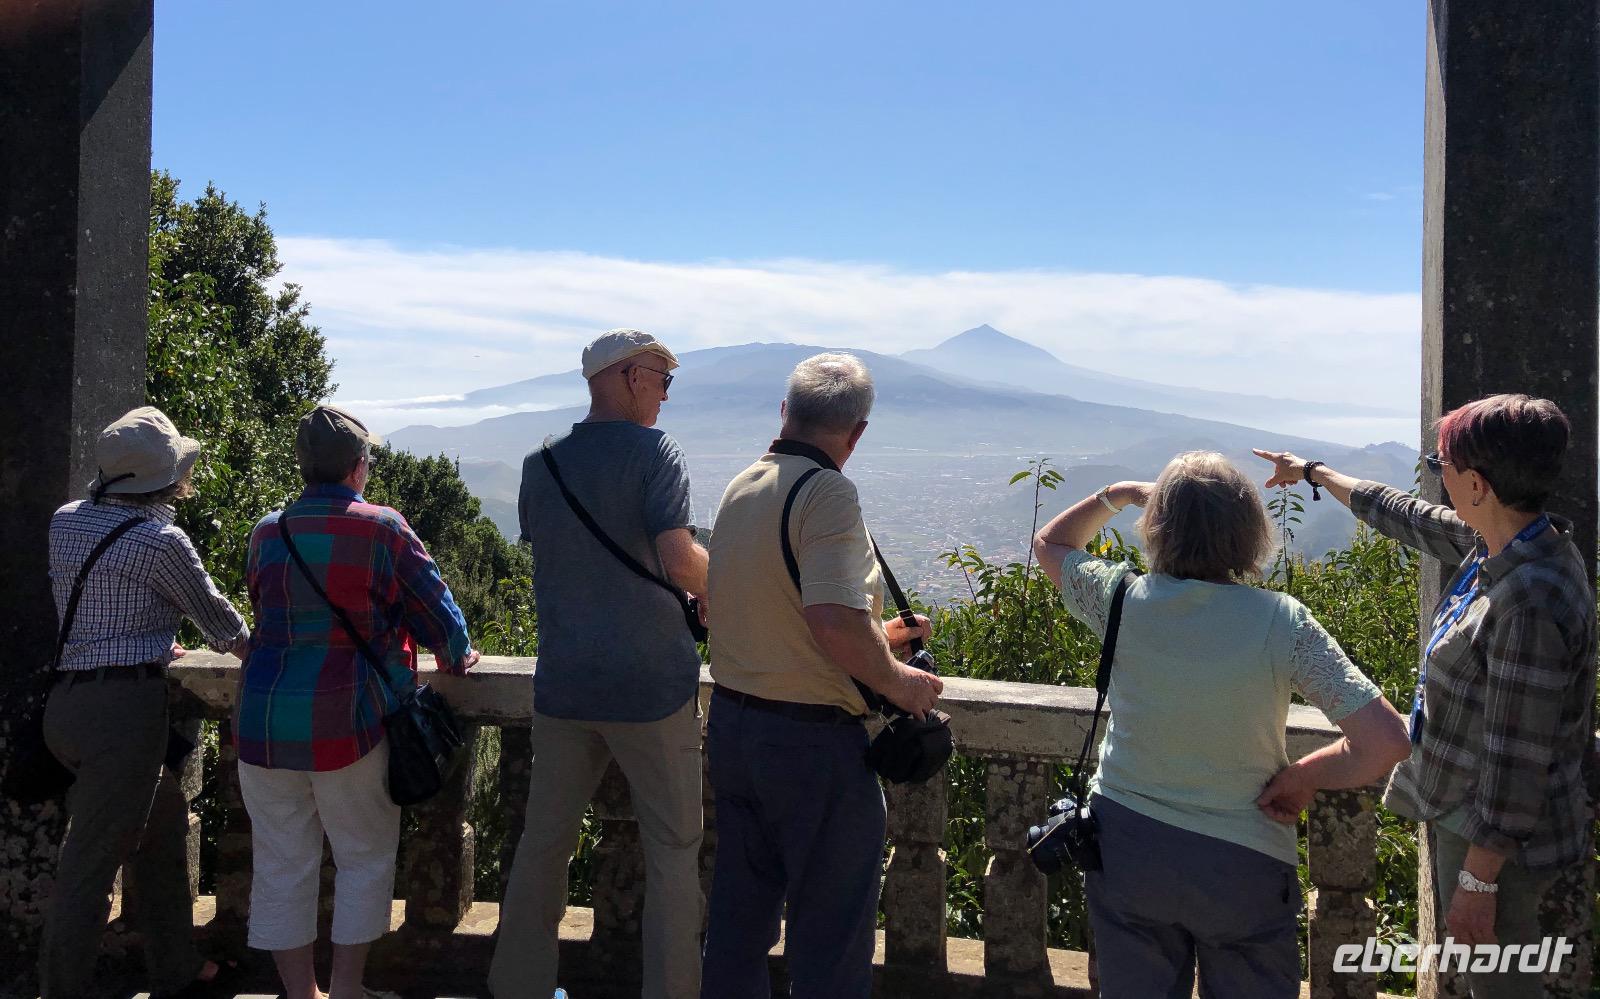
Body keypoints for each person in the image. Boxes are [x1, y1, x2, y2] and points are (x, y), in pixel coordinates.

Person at [1033, 450, 1411, 999]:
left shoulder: (1119, 599)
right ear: (1250, 534)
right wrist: (1304, 777)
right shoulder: (1282, 621)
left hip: (1128, 849)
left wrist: (1118, 493)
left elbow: (1051, 544)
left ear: (1157, 529)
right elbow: (1386, 741)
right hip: (1243, 859)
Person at [1256, 393, 1597, 998]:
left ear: (1476, 484)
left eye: (1443, 465)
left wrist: (1479, 883)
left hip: (1493, 842)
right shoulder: (1496, 544)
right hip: (1470, 822)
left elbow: (1518, 764)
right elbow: (1396, 512)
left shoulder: (1529, 599)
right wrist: (1311, 472)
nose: (1437, 476)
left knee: (1498, 985)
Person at [700, 352, 944, 999]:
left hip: (734, 727)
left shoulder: (743, 485)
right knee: (830, 943)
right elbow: (832, 623)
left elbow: (766, 614)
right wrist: (901, 681)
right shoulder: (829, 493)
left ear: (786, 413)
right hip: (812, 747)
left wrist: (878, 638)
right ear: (856, 432)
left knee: (737, 928)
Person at [490, 329, 709, 999]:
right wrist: (730, 590)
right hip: (651, 685)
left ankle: (518, 986)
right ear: (627, 376)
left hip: (563, 682)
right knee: (673, 848)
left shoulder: (540, 465)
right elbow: (678, 559)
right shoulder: (655, 452)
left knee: (544, 841)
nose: (666, 394)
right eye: (662, 378)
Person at [236, 404, 479, 999]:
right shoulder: (383, 528)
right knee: (363, 858)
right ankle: (347, 991)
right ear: (358, 467)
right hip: (350, 721)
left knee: (280, 864)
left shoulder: (269, 531)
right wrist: (454, 653)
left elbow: (264, 609)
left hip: (263, 722)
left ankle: (301, 994)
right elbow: (440, 619)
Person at [41, 406, 250, 999]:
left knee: (161, 828)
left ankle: (176, 967)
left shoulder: (64, 521)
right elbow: (222, 627)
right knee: (87, 870)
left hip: (67, 706)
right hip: (123, 715)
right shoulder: (161, 542)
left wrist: (151, 639)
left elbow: (106, 601)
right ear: (164, 479)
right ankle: (60, 989)